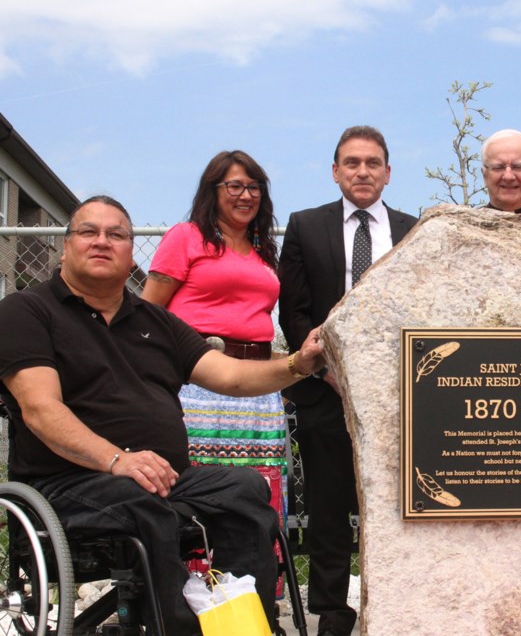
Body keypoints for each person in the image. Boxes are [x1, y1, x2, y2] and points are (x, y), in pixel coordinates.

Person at [0, 196, 327, 635]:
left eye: (116, 234)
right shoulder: (27, 311)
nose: (102, 242)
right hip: (68, 482)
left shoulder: (154, 320)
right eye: (88, 232)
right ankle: (182, 630)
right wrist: (119, 460)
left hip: (158, 476)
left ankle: (249, 626)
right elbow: (41, 410)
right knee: (141, 501)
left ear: (131, 250)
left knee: (245, 490)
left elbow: (229, 376)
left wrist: (297, 365)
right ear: (65, 247)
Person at [278, 125, 417, 636]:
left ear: (387, 172)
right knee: (329, 505)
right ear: (335, 170)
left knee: (398, 499)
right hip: (323, 390)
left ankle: (397, 599)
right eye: (352, 163)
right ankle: (333, 612)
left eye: (373, 163)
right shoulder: (305, 226)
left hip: (399, 395)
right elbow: (292, 309)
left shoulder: (412, 228)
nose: (363, 171)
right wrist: (326, 368)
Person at [140, 150, 288, 594]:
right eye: (234, 186)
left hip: (259, 389)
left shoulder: (264, 247)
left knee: (259, 496)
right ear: (213, 191)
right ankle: (194, 600)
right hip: (199, 385)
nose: (245, 195)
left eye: (253, 187)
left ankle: (257, 599)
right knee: (199, 493)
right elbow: (147, 314)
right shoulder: (185, 237)